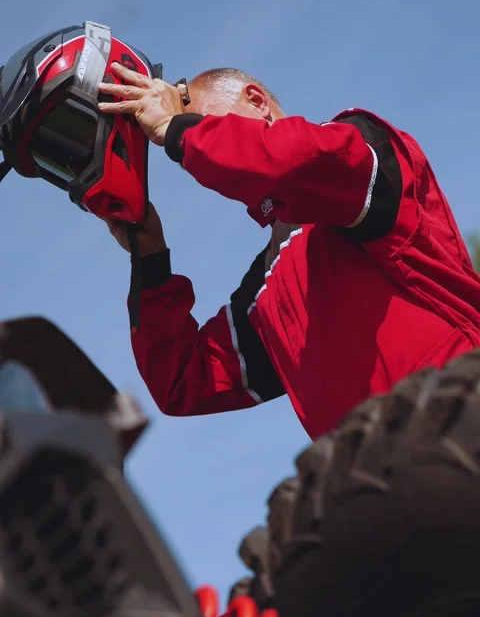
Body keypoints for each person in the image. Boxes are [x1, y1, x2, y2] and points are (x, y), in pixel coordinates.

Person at [98, 61, 480, 439]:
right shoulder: (266, 290)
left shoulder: (359, 143)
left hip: (463, 422)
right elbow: (182, 381)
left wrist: (176, 128)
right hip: (384, 491)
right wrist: (150, 259)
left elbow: (294, 161)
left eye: (205, 124)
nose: (196, 148)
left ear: (256, 101)